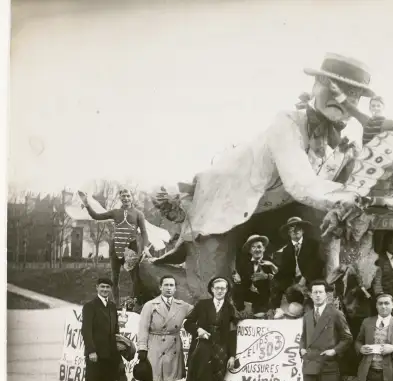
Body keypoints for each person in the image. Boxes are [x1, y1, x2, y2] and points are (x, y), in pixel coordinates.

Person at [149, 53, 370, 298]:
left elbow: (335, 212)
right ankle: (145, 271)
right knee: (210, 292)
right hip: (226, 208)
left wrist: (331, 276)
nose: (341, 98)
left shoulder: (344, 149)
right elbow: (301, 183)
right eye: (334, 87)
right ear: (315, 85)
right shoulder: (286, 123)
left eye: (352, 94)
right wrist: (350, 198)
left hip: (277, 209)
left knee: (321, 228)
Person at [175, 277, 251, 381]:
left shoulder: (230, 308)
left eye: (223, 288)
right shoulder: (202, 305)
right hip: (201, 347)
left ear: (227, 290)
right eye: (217, 288)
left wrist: (231, 355)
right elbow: (188, 322)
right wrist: (198, 330)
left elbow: (232, 333)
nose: (220, 291)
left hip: (220, 351)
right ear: (211, 289)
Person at [297, 280, 353, 381]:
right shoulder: (307, 315)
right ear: (310, 294)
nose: (318, 295)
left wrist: (334, 351)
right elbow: (303, 337)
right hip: (309, 365)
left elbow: (347, 337)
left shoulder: (335, 313)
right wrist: (301, 349)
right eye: (315, 292)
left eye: (321, 292)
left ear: (327, 294)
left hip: (328, 365)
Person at [137, 275, 194, 381]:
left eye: (172, 285)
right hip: (153, 346)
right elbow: (143, 328)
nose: (169, 288)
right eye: (166, 285)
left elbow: (199, 314)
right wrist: (142, 348)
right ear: (160, 287)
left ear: (176, 288)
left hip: (172, 347)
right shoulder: (150, 305)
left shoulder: (182, 306)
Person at [80, 188, 149, 302]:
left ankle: (133, 302)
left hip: (131, 249)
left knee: (135, 278)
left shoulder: (138, 214)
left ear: (131, 197)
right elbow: (96, 216)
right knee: (115, 278)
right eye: (123, 196)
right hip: (115, 248)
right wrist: (87, 205)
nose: (126, 198)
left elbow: (144, 232)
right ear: (120, 198)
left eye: (128, 196)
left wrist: (145, 247)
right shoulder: (115, 212)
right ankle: (116, 304)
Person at [81, 278, 121, 381]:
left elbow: (115, 329)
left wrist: (118, 347)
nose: (105, 289)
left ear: (111, 289)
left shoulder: (112, 306)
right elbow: (86, 331)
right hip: (95, 353)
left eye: (107, 287)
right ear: (97, 287)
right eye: (102, 287)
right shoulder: (90, 306)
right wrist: (91, 351)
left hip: (110, 353)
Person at [327, 81, 393, 146]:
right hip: (366, 158)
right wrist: (338, 92)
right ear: (370, 108)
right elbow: (350, 108)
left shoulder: (388, 123)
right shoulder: (366, 120)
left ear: (383, 107)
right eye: (373, 106)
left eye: (378, 106)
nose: (375, 108)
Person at [273, 217, 325, 313]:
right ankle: (275, 311)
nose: (295, 231)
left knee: (312, 307)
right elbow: (285, 270)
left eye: (298, 228)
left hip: (312, 279)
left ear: (303, 230)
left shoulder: (313, 244)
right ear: (288, 233)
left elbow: (318, 263)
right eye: (291, 229)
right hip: (295, 282)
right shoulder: (287, 250)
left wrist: (305, 278)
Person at [232, 234, 278, 317]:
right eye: (253, 247)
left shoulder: (271, 262)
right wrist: (238, 281)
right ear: (250, 250)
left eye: (259, 247)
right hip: (250, 299)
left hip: (267, 299)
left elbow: (280, 281)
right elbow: (241, 286)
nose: (257, 250)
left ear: (264, 249)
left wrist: (267, 276)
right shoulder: (244, 265)